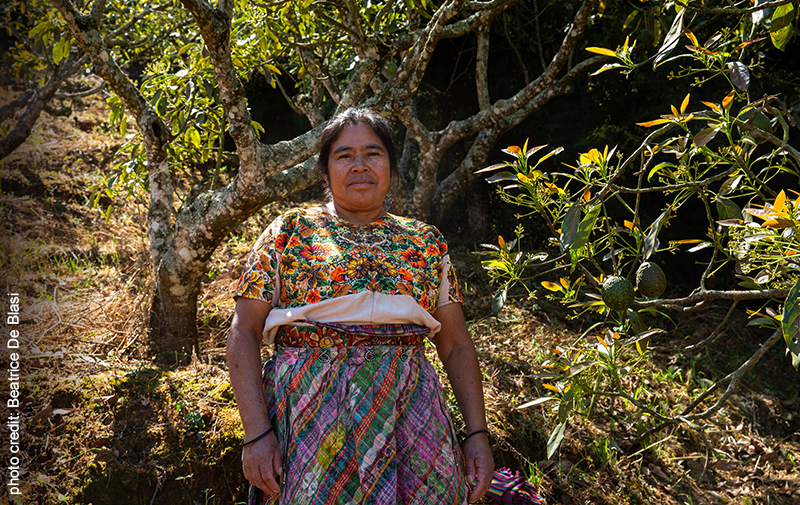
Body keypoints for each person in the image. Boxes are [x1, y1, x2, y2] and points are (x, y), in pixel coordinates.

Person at [227, 107, 494, 505]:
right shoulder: (290, 232)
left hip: (411, 411)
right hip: (310, 414)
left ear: (390, 165)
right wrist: (257, 435)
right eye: (344, 156)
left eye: (373, 153)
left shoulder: (425, 241)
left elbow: (455, 344)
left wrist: (477, 436)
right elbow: (244, 330)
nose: (360, 166)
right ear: (324, 170)